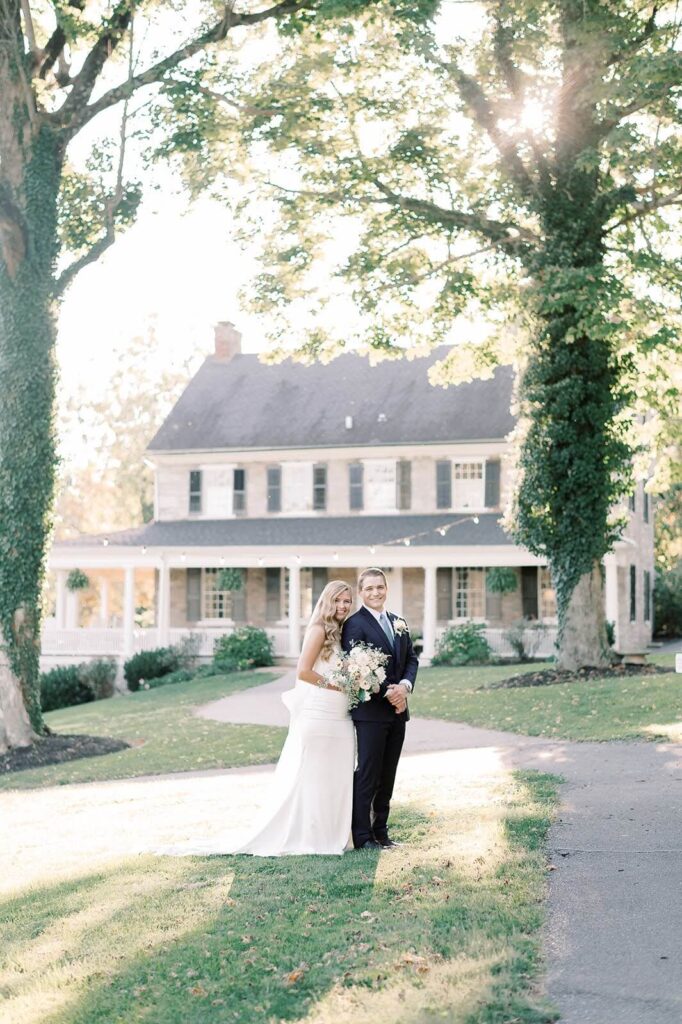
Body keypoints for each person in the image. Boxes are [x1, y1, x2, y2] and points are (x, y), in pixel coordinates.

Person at [153, 580, 355, 857]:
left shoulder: (343, 633)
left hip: (340, 716)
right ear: (326, 602)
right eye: (338, 601)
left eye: (347, 601)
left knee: (334, 776)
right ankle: (310, 834)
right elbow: (304, 672)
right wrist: (339, 686)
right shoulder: (319, 630)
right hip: (319, 714)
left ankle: (335, 833)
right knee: (313, 777)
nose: (343, 606)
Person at [341, 567, 419, 850]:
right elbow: (358, 668)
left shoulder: (399, 622)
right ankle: (362, 836)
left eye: (380, 587)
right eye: (369, 588)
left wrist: (405, 687)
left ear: (387, 589)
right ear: (361, 592)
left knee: (388, 774)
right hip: (371, 713)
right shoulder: (354, 624)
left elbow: (411, 659)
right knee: (368, 774)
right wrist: (391, 692)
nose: (375, 592)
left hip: (398, 712)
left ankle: (381, 831)